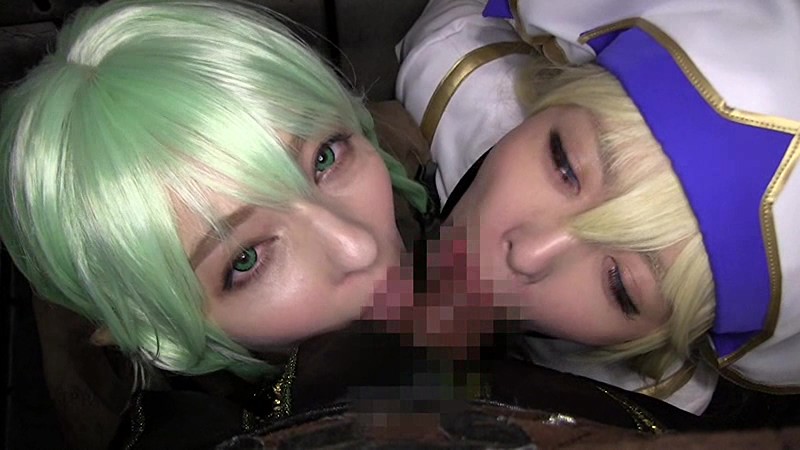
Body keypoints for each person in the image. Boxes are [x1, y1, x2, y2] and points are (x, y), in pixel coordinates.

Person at [0, 0, 431, 441]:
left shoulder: (423, 154)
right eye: (247, 258)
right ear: (158, 328)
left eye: (325, 157)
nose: (359, 247)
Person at [396, 0, 800, 415]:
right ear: (556, 91)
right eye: (565, 166)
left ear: (667, 335)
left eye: (620, 285)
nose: (529, 253)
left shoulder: (637, 415)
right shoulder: (448, 70)